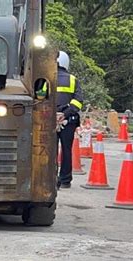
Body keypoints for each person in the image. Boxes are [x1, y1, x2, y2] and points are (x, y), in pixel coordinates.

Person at [54, 51, 84, 189]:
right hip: (68, 120)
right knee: (67, 150)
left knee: (47, 150)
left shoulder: (46, 77)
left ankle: (50, 177)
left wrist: (54, 114)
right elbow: (78, 102)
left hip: (49, 120)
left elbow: (40, 97)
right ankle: (65, 179)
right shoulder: (73, 79)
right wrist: (65, 113)